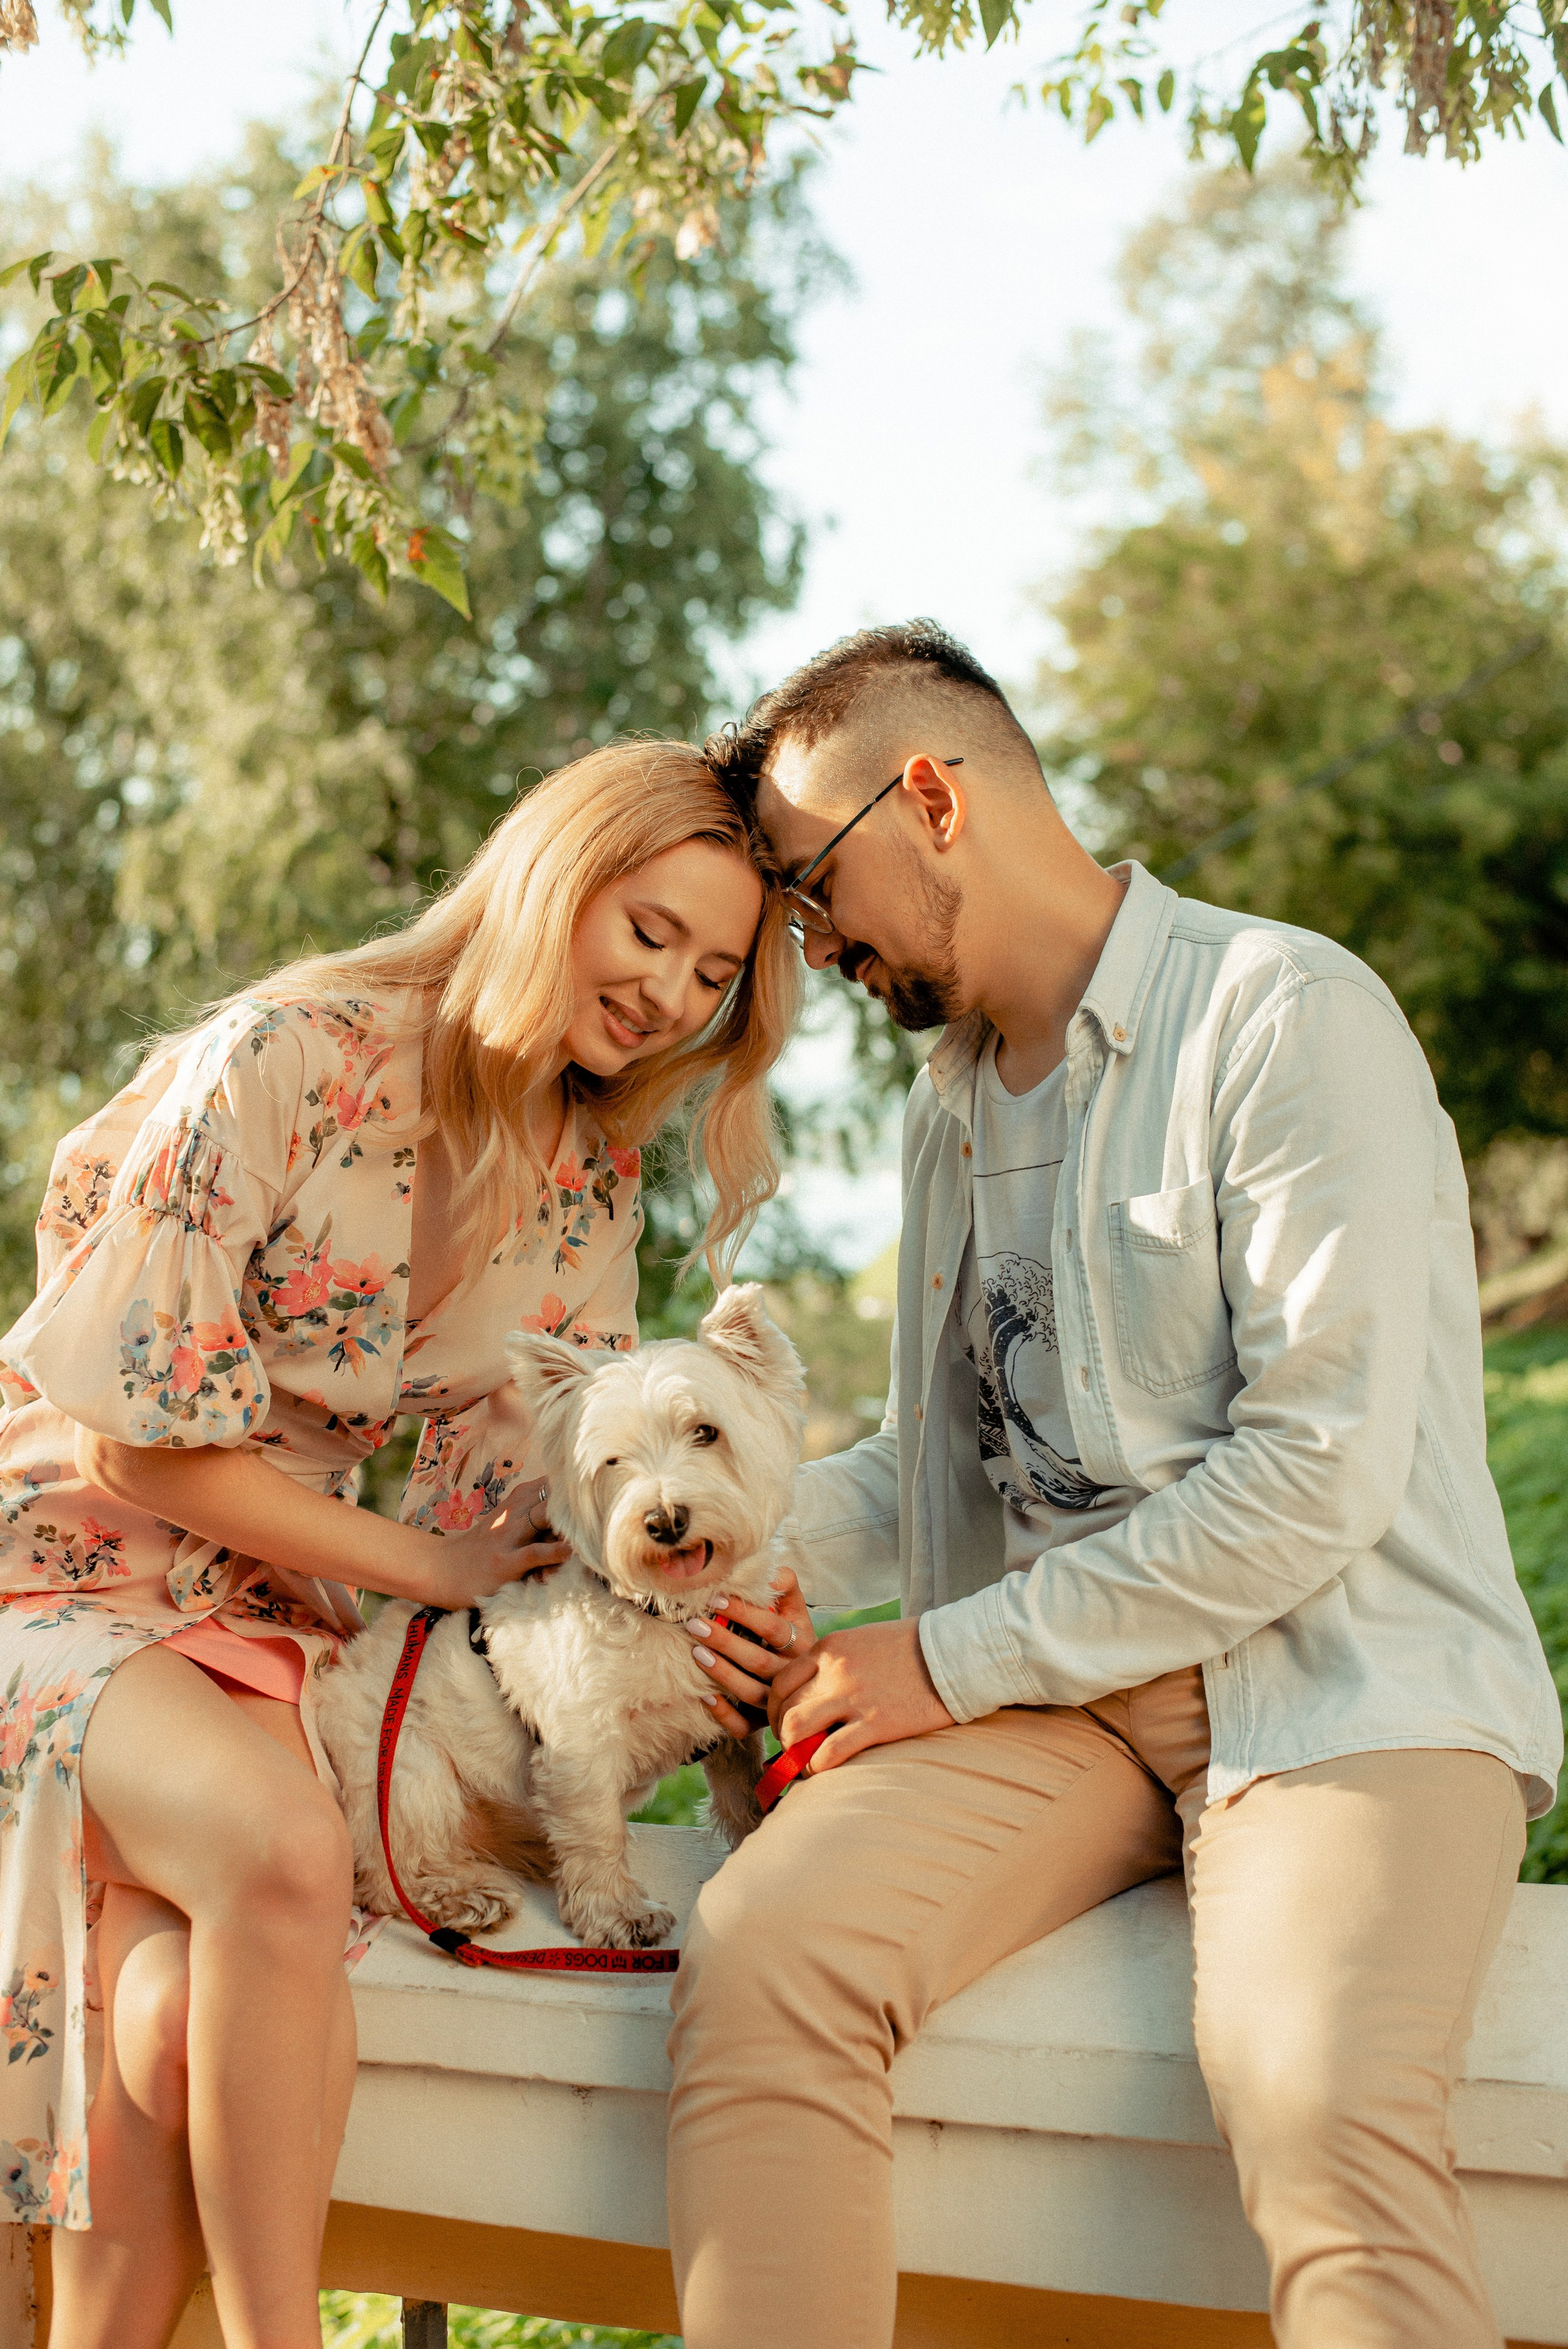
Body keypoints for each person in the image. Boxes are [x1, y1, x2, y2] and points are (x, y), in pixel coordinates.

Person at [666, 622, 1562, 2349]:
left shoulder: (1284, 1014)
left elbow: (1316, 1470)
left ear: (930, 798)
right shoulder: (947, 1108)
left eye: (809, 883)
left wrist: (941, 1660)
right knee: (768, 1950)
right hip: (1066, 1709)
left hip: (1343, 1680)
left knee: (1321, 2106)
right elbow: (941, 1451)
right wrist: (699, 1543)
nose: (810, 943)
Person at [0, 737, 797, 2349]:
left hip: (272, 1620)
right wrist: (427, 1572)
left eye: (715, 974)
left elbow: (555, 1509)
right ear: (553, 884)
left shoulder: (588, 1187)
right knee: (287, 1854)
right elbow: (129, 1440)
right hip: (55, 1571)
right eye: (648, 929)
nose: (669, 993)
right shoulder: (287, 1054)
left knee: (166, 2030)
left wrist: (733, 1625)